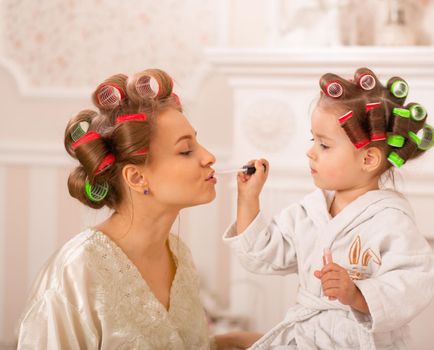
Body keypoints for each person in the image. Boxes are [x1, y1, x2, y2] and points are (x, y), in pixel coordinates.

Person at [17, 69, 260, 349]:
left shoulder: (178, 255)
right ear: (136, 177)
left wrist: (239, 342)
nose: (209, 157)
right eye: (186, 150)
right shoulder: (76, 272)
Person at [223, 67, 434, 349]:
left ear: (368, 160)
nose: (311, 152)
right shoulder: (310, 210)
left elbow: (415, 281)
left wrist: (358, 295)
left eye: (324, 145)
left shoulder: (391, 220)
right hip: (306, 337)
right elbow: (262, 254)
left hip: (359, 341)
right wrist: (248, 198)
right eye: (313, 140)